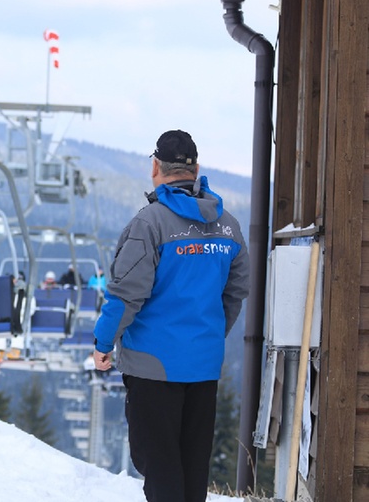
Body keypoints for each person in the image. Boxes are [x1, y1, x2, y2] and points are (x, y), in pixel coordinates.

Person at [92, 130, 249, 502]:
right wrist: (208, 335)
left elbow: (126, 294)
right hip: (204, 362)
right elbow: (236, 290)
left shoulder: (151, 223)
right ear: (196, 168)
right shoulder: (227, 225)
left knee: (158, 461)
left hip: (152, 365)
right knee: (193, 463)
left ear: (155, 168)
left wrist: (103, 343)